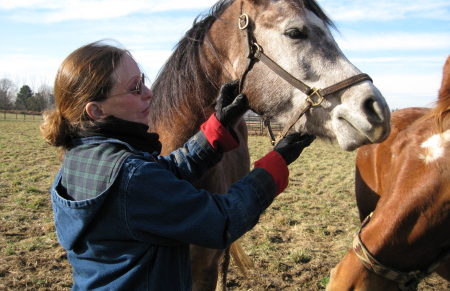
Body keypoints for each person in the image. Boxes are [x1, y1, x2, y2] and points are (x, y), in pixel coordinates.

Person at [41, 40, 315, 291]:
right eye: (135, 87)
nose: (149, 93)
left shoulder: (80, 159)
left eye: (144, 81)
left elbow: (163, 175)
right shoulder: (131, 177)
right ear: (97, 111)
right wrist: (276, 162)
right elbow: (222, 221)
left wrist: (216, 131)